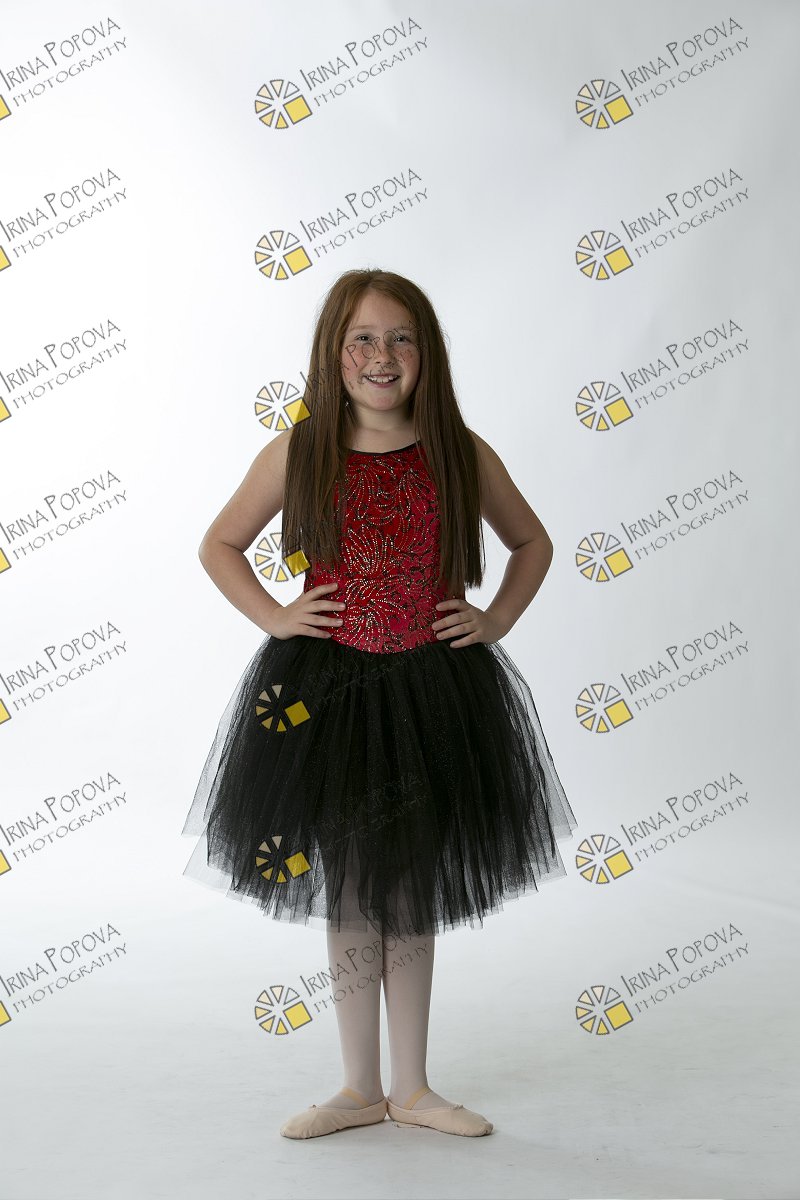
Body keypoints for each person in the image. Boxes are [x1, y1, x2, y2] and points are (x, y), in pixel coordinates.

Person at [181, 268, 578, 1140]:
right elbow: (219, 544)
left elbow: (533, 542)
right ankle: (359, 1086)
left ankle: (415, 1087)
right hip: (327, 696)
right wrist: (276, 615)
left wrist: (496, 618)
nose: (381, 355)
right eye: (361, 338)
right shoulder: (301, 451)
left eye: (401, 337)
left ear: (427, 353)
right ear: (333, 352)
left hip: (434, 691)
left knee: (410, 887)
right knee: (355, 885)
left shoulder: (459, 452)